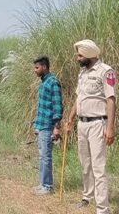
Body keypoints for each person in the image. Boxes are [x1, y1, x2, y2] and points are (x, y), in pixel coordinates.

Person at [67, 39, 116, 213]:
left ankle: (103, 208)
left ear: (88, 55)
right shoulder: (83, 73)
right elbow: (79, 98)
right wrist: (70, 118)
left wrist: (110, 128)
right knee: (85, 163)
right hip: (82, 124)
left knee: (98, 166)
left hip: (97, 124)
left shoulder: (106, 71)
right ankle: (87, 197)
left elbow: (111, 100)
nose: (77, 58)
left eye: (79, 55)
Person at [32, 56, 63, 196]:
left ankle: (48, 186)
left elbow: (57, 106)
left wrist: (56, 127)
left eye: (37, 67)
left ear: (44, 67)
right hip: (42, 125)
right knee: (42, 156)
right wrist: (36, 125)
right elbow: (43, 106)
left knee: (46, 156)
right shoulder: (44, 82)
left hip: (49, 125)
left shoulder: (53, 82)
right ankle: (43, 184)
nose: (35, 70)